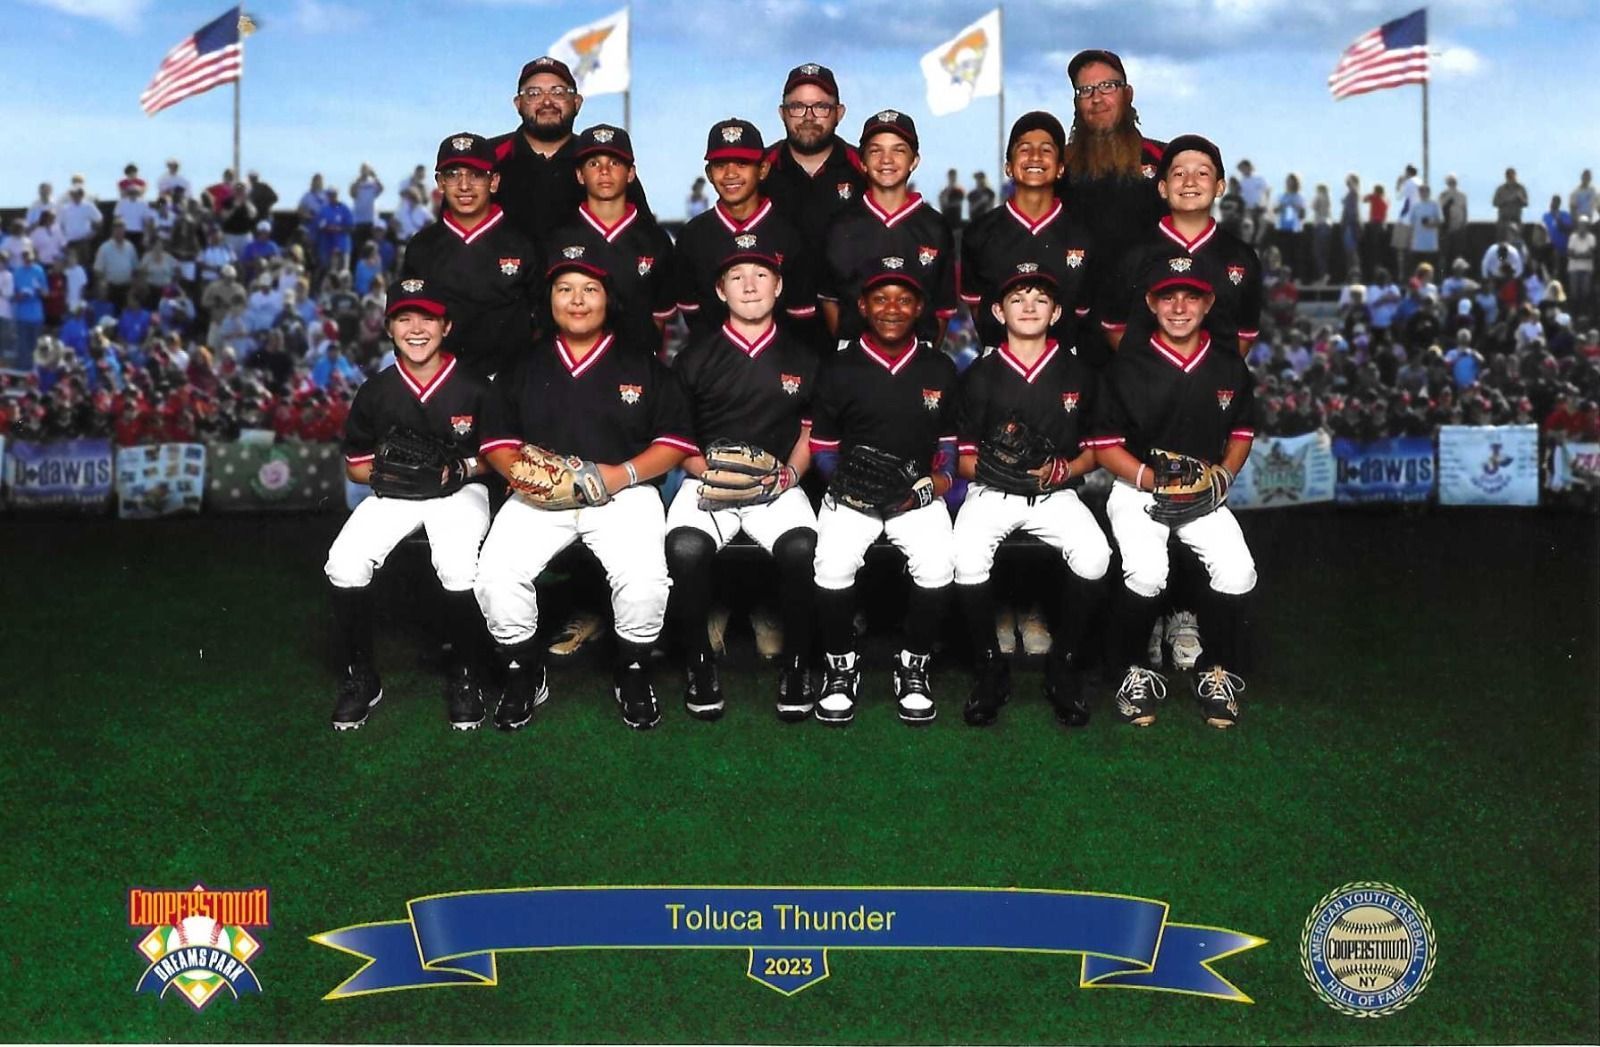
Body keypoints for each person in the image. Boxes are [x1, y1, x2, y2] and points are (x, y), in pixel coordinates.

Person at [473, 258, 694, 731]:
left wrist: (622, 474)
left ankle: (632, 669)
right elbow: (496, 443)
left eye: (589, 289)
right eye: (565, 289)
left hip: (623, 492)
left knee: (645, 580)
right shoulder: (523, 365)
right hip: (540, 496)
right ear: (549, 300)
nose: (577, 300)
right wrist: (532, 480)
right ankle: (523, 670)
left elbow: (674, 442)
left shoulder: (641, 362)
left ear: (607, 300)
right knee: (494, 576)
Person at [1088, 254, 1257, 728]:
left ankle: (1215, 671)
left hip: (1202, 491)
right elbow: (1104, 446)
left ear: (1208, 303)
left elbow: (1242, 431)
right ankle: (1129, 670)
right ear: (1151, 302)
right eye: (1168, 297)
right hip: (1139, 487)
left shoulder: (1227, 364)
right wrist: (1151, 479)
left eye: (1190, 297)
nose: (1179, 307)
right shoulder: (1127, 365)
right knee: (1147, 571)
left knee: (1238, 571)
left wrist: (1224, 476)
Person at [323, 279, 500, 731]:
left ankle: (465, 675)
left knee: (457, 565)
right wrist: (391, 473)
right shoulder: (376, 390)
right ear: (388, 328)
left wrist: (460, 469)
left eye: (428, 318)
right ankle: (361, 677)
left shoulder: (476, 387)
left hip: (459, 491)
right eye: (404, 318)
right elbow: (355, 467)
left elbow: (499, 457)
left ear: (446, 326)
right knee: (344, 562)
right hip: (395, 494)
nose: (416, 329)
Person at [953, 262, 1111, 727]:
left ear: (1056, 313)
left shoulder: (1079, 373)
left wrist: (1068, 469)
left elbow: (1097, 450)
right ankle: (989, 667)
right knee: (964, 556)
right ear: (998, 312)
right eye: (1017, 299)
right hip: (991, 491)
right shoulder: (979, 374)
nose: (1028, 307)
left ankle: (1063, 665)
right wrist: (993, 470)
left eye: (1040, 300)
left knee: (1096, 555)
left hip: (1054, 491)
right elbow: (960, 456)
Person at [666, 244, 819, 720]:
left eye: (761, 275)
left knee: (802, 549)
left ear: (779, 285)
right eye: (737, 277)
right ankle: (698, 663)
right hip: (708, 481)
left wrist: (789, 475)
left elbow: (810, 433)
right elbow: (676, 439)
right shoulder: (694, 357)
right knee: (685, 549)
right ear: (721, 291)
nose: (750, 286)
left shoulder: (804, 356)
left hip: (776, 485)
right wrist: (713, 474)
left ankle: (798, 664)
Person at [808, 258, 959, 724]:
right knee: (832, 564)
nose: (892, 309)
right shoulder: (838, 367)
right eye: (880, 299)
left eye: (903, 300)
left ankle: (913, 664)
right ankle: (841, 666)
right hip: (853, 494)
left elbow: (948, 449)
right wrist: (845, 485)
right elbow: (822, 447)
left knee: (938, 565)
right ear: (862, 306)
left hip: (914, 492)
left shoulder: (939, 367)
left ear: (919, 308)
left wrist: (935, 486)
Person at [399, 132, 543, 380]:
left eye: (476, 174)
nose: (464, 185)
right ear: (440, 183)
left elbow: (543, 320)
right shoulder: (422, 247)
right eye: (453, 174)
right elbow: (407, 321)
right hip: (443, 385)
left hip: (513, 384)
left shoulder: (524, 243)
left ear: (494, 181)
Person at [959, 111, 1098, 359]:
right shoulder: (980, 233)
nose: (1035, 156)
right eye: (1024, 149)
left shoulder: (1082, 236)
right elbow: (977, 309)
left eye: (1046, 149)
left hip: (1063, 366)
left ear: (1060, 168)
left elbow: (1080, 314)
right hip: (998, 366)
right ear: (1008, 167)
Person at [818, 109, 957, 349]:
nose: (886, 160)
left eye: (898, 150)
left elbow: (943, 310)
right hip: (854, 359)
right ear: (862, 162)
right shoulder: (840, 226)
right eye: (876, 151)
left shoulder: (935, 226)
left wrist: (926, 357)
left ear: (914, 160)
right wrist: (848, 351)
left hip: (917, 358)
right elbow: (829, 300)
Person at [670, 118, 817, 344]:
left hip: (778, 359)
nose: (730, 174)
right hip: (713, 359)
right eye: (720, 165)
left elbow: (800, 319)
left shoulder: (790, 234)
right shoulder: (693, 236)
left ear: (763, 169)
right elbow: (693, 316)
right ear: (709, 173)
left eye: (742, 163)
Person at [543, 124, 677, 357]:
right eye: (594, 164)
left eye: (614, 163)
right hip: (576, 365)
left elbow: (660, 318)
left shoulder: (654, 239)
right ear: (580, 175)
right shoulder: (557, 238)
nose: (604, 171)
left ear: (631, 173)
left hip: (637, 368)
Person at [491, 56, 651, 245]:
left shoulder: (605, 162)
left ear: (577, 102)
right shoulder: (487, 157)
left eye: (558, 92)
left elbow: (644, 238)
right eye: (534, 93)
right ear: (518, 103)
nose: (547, 102)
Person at [1056, 49, 1166, 270]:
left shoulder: (1165, 159)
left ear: (1128, 94)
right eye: (1085, 90)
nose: (1096, 99)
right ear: (1076, 102)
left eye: (1107, 86)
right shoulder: (1059, 167)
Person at [761, 63, 866, 262]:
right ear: (782, 113)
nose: (808, 117)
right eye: (797, 107)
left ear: (839, 113)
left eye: (821, 107)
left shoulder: (864, 168)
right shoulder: (760, 169)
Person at [1409, 185, 1443, 274]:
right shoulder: (1415, 205)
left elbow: (1440, 221)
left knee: (1431, 269)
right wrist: (1411, 241)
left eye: (1425, 191)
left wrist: (1431, 224)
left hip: (1431, 245)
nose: (1423, 193)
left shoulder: (1434, 205)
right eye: (1421, 191)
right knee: (1418, 269)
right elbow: (1411, 223)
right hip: (1418, 245)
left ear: (1429, 192)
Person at [1438, 174, 1469, 269]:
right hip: (1446, 228)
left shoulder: (1462, 195)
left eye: (1454, 182)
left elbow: (1465, 210)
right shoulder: (1442, 195)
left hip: (1459, 227)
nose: (1452, 184)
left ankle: (1458, 272)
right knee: (1444, 254)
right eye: (1450, 182)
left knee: (1458, 253)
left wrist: (1464, 224)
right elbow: (1439, 209)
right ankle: (1442, 274)